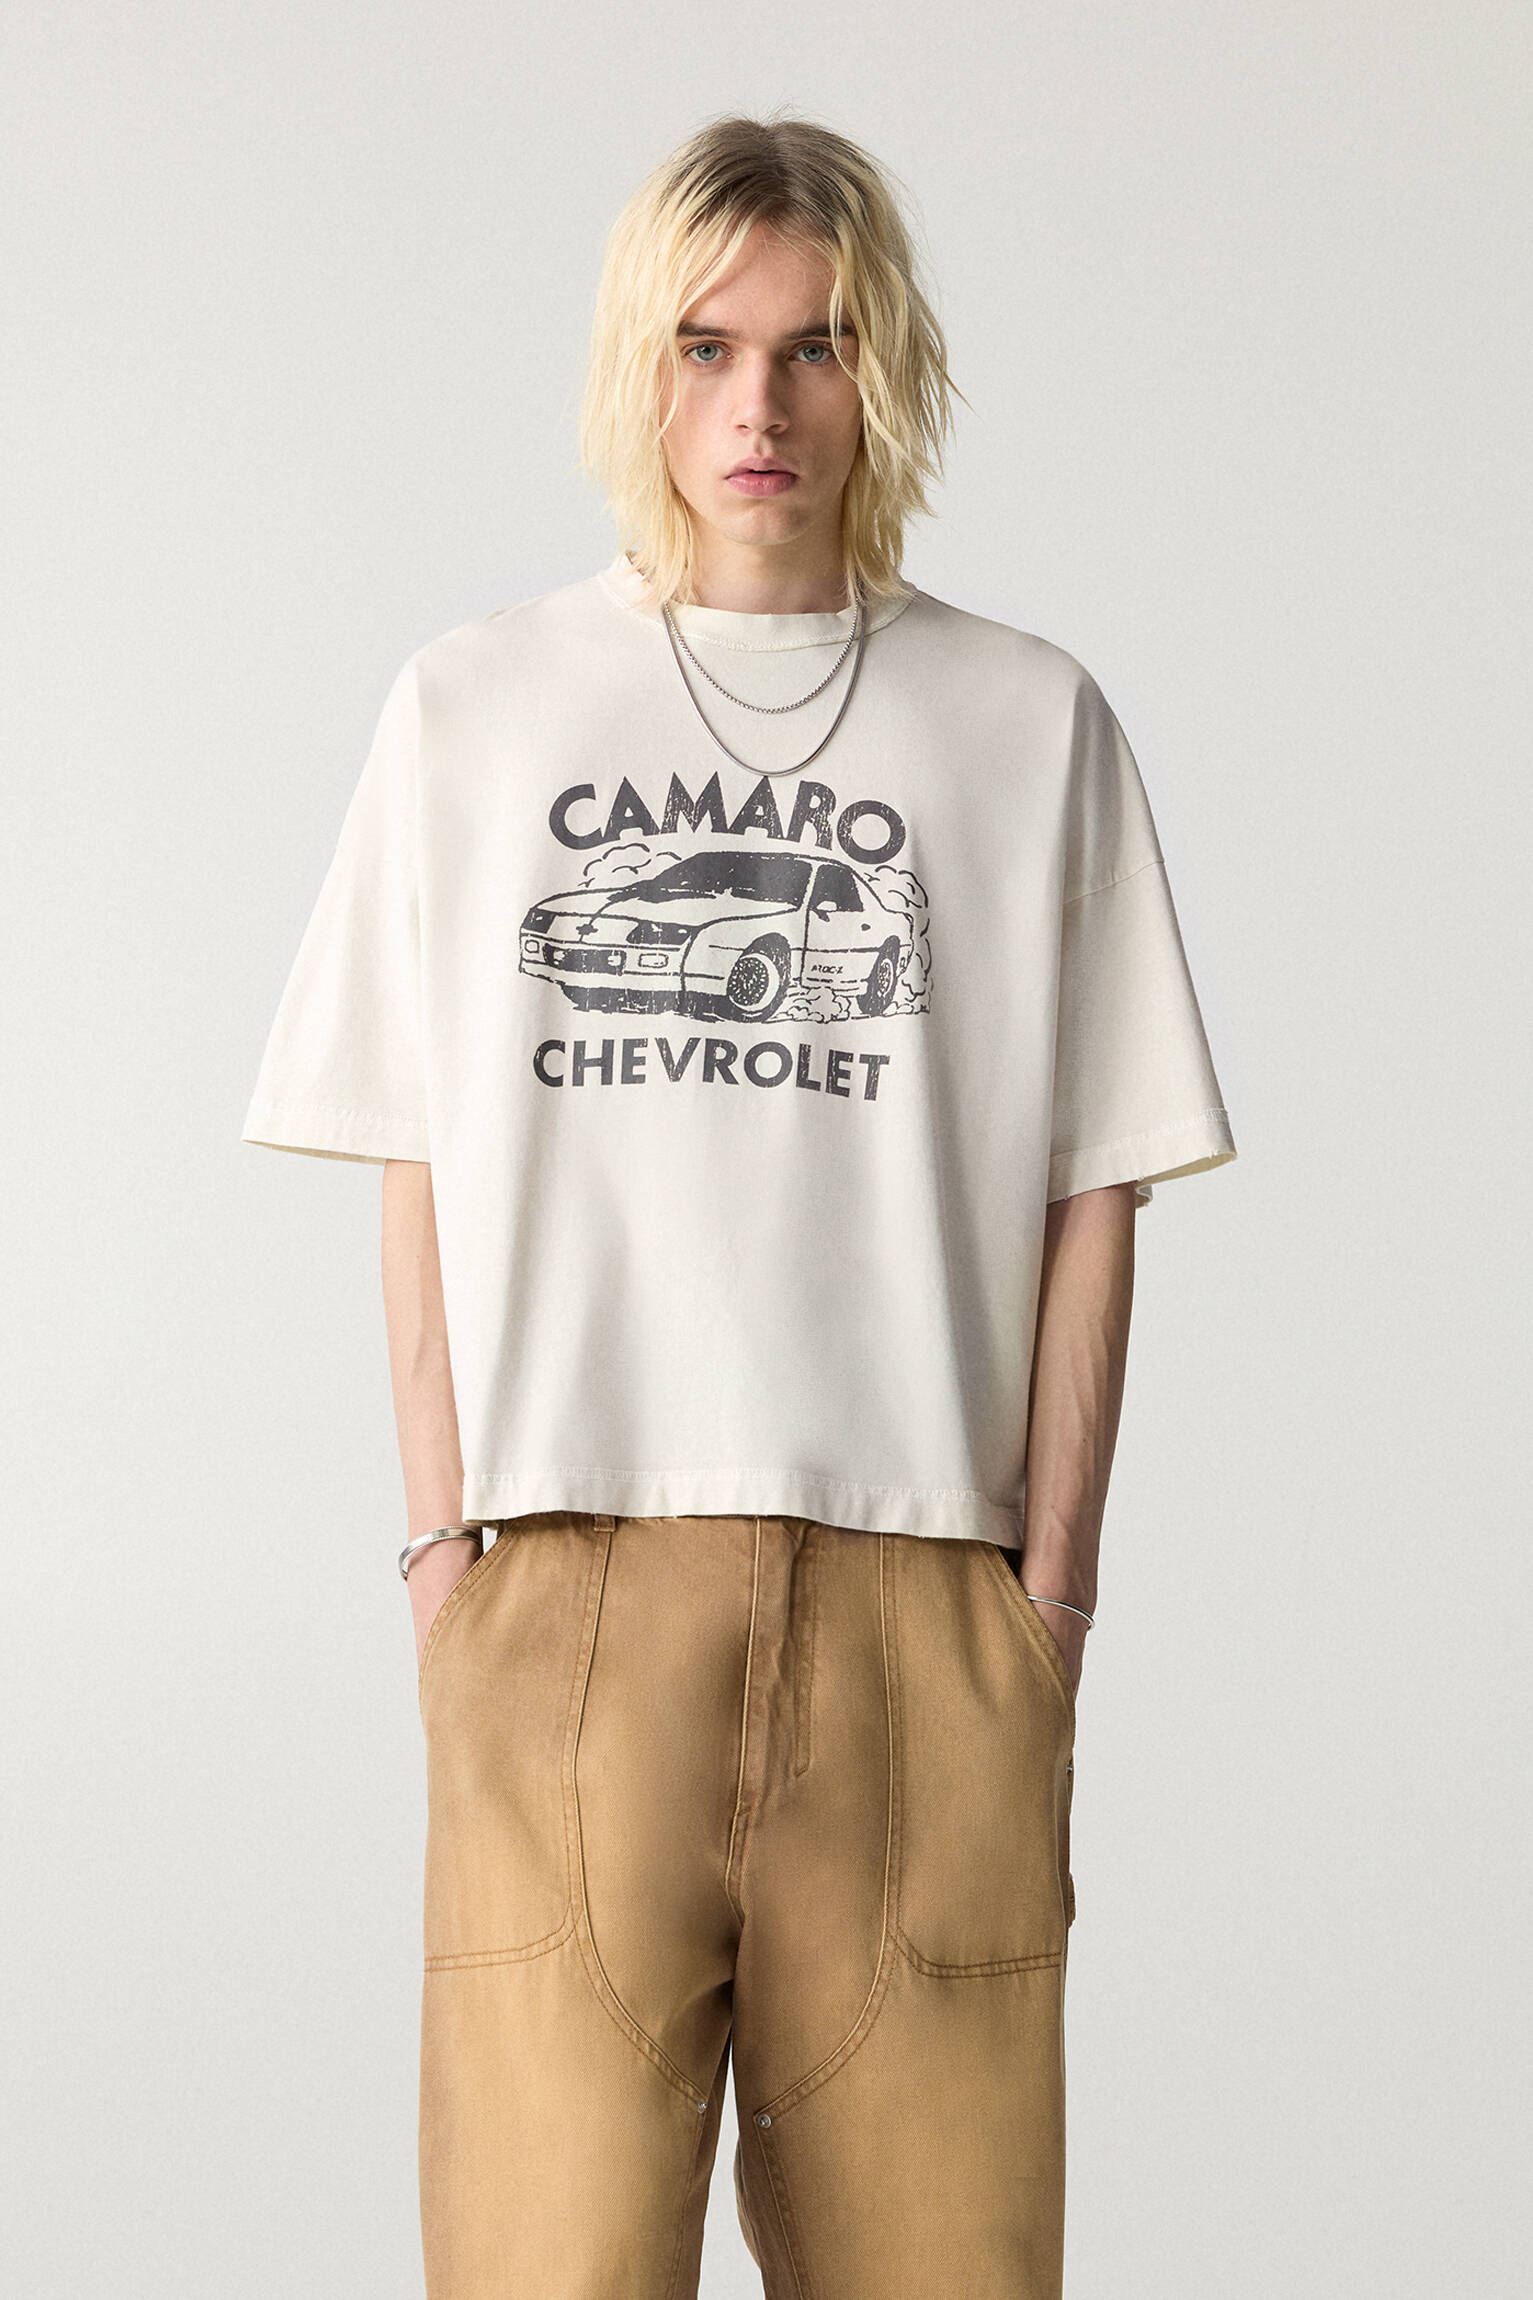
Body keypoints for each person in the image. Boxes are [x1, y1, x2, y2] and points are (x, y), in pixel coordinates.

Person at [242, 112, 1236, 2300]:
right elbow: (416, 1153)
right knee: (545, 2271)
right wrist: (443, 1563)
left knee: (945, 2269)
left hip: (923, 1598)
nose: (757, 404)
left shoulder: (1025, 722)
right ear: (643, 363)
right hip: (567, 1587)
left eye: (814, 346)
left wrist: (1048, 1598)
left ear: (886, 371)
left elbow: (1096, 1182)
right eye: (706, 346)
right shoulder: (476, 712)